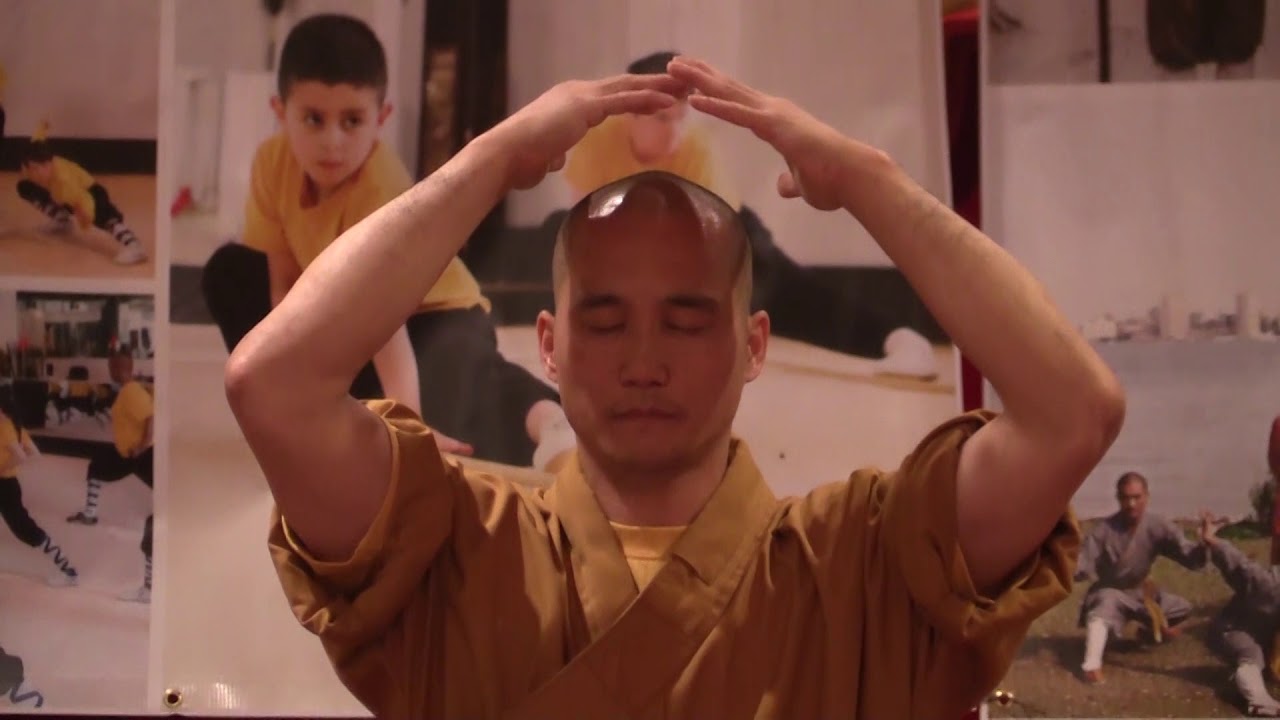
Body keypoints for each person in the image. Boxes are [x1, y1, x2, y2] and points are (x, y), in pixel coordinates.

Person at [228, 57, 1124, 718]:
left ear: (753, 344)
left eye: (689, 321)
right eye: (607, 320)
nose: (643, 361)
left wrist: (866, 180)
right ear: (548, 343)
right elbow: (272, 388)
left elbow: (1073, 414)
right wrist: (487, 163)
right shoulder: (456, 546)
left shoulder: (865, 562)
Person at [200, 13, 574, 470]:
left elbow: (386, 317)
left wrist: (409, 428)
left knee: (442, 427)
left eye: (351, 121)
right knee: (230, 272)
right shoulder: (271, 163)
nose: (331, 141)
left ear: (382, 118)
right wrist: (294, 385)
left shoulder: (379, 184)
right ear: (280, 112)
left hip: (435, 316)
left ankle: (550, 417)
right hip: (348, 317)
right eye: (313, 119)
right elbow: (283, 283)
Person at [561, 51, 938, 377]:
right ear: (631, 115)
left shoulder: (697, 150)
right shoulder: (597, 142)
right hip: (641, 239)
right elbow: (588, 221)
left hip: (720, 233)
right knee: (560, 240)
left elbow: (708, 238)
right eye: (663, 120)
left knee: (789, 294)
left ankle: (897, 339)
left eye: (681, 119)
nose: (675, 132)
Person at [1074, 471, 1207, 683]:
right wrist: (1064, 562)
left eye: (1137, 497)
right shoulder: (1103, 531)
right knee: (1102, 606)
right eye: (1126, 498)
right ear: (1118, 499)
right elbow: (1082, 565)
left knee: (1182, 607)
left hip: (1141, 593)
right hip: (1112, 592)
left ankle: (1147, 633)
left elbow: (1189, 556)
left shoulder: (1158, 525)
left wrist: (1204, 545)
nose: (1132, 504)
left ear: (1147, 497)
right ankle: (1091, 665)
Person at [64, 346, 153, 603]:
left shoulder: (132, 392)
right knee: (97, 467)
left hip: (139, 456)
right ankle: (90, 515)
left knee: (164, 498)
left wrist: (144, 444)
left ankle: (148, 587)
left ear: (119, 368)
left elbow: (152, 417)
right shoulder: (126, 391)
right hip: (126, 455)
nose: (110, 371)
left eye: (112, 367)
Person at [15, 122, 147, 265]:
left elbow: (84, 200)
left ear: (48, 163)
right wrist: (43, 126)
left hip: (90, 193)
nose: (32, 172)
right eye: (29, 168)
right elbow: (38, 139)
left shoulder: (64, 183)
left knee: (106, 219)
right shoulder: (41, 163)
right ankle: (62, 222)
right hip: (68, 198)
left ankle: (134, 246)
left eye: (36, 168)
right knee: (25, 186)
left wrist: (85, 217)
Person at [1199, 511, 1280, 717]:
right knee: (1251, 655)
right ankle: (1258, 702)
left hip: (1263, 632)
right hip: (1232, 629)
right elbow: (1238, 565)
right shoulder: (1267, 584)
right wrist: (1210, 539)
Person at [0, 385, 78, 586]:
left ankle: (68, 571)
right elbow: (34, 451)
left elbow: (21, 455)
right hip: (9, 485)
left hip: (5, 487)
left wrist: (2, 469)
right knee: (24, 529)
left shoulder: (4, 426)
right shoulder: (15, 425)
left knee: (25, 530)